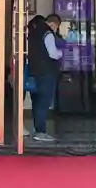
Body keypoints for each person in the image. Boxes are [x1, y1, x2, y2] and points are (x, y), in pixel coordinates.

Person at [28, 13, 63, 142]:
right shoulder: (47, 33)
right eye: (56, 27)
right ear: (54, 24)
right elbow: (53, 54)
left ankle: (37, 129)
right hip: (46, 73)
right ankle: (40, 132)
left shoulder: (33, 33)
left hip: (34, 72)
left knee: (36, 102)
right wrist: (61, 53)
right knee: (43, 103)